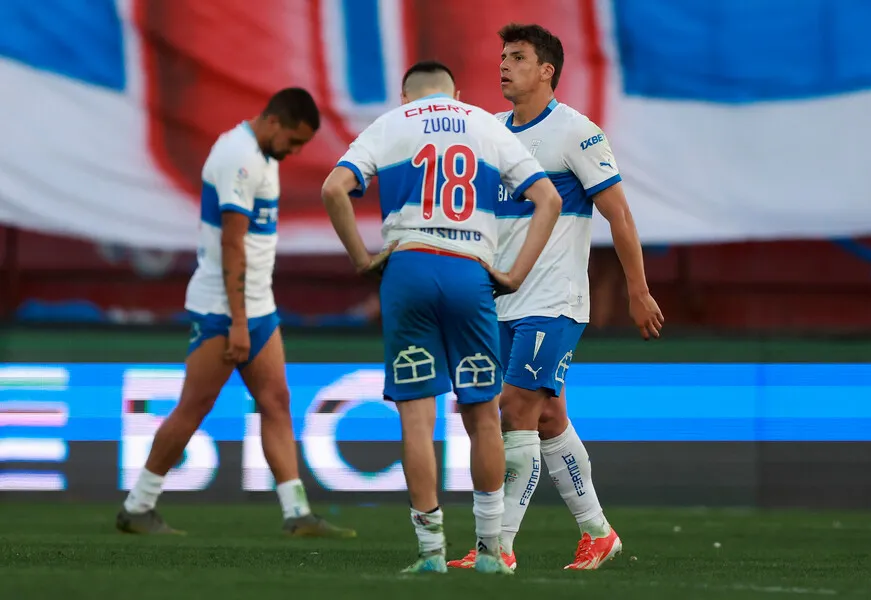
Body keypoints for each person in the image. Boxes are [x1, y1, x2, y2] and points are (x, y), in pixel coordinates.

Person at [321, 61, 562, 574]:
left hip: (407, 267)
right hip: (469, 271)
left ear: (405, 93)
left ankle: (431, 552)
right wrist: (515, 273)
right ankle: (492, 552)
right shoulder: (483, 123)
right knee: (481, 416)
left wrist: (363, 261)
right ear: (457, 91)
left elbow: (333, 189)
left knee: (417, 416)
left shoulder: (391, 123)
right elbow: (549, 198)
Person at [448, 23, 664, 572]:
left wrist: (638, 290)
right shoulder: (492, 131)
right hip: (501, 300)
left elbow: (619, 214)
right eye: (501, 56)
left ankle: (497, 548)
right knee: (547, 418)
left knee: (514, 410)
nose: (503, 65)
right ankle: (597, 533)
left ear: (547, 70)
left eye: (517, 57)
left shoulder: (577, 133)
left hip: (555, 299)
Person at [116, 88, 356, 539]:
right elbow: (232, 244)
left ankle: (297, 513)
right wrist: (239, 322)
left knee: (276, 402)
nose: (296, 151)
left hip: (258, 306)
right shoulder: (239, 157)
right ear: (273, 122)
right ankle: (138, 505)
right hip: (224, 311)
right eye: (295, 141)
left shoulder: (263, 157)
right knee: (194, 406)